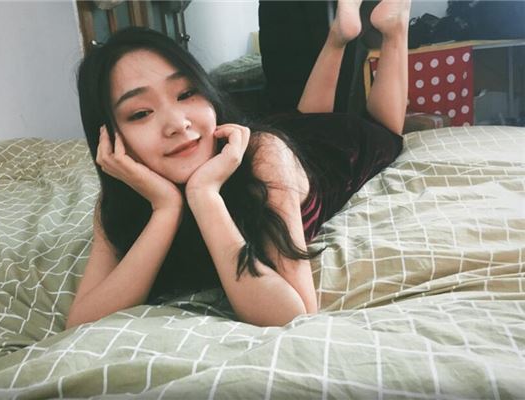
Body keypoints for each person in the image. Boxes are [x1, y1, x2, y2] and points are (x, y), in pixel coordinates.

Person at [66, 0, 410, 328]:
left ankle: (395, 27)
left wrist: (204, 196)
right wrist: (166, 208)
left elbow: (296, 312)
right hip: (287, 133)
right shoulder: (123, 194)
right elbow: (81, 321)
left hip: (325, 152)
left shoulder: (264, 158)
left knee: (387, 134)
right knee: (301, 118)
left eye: (186, 94)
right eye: (141, 113)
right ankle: (339, 35)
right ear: (108, 138)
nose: (178, 124)